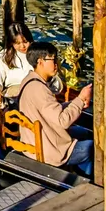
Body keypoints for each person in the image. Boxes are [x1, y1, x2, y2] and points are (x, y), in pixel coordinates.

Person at [17, 42, 93, 173]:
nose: (57, 64)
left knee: (83, 132)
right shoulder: (40, 89)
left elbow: (49, 109)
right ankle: (88, 179)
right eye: (53, 59)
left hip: (33, 141)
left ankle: (80, 171)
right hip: (49, 150)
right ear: (40, 62)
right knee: (94, 148)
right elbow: (63, 121)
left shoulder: (28, 81)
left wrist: (74, 103)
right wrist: (80, 99)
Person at [0, 23, 35, 109]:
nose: (22, 46)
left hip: (34, 93)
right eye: (17, 43)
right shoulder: (4, 56)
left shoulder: (38, 53)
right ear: (11, 43)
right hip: (11, 95)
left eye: (25, 42)